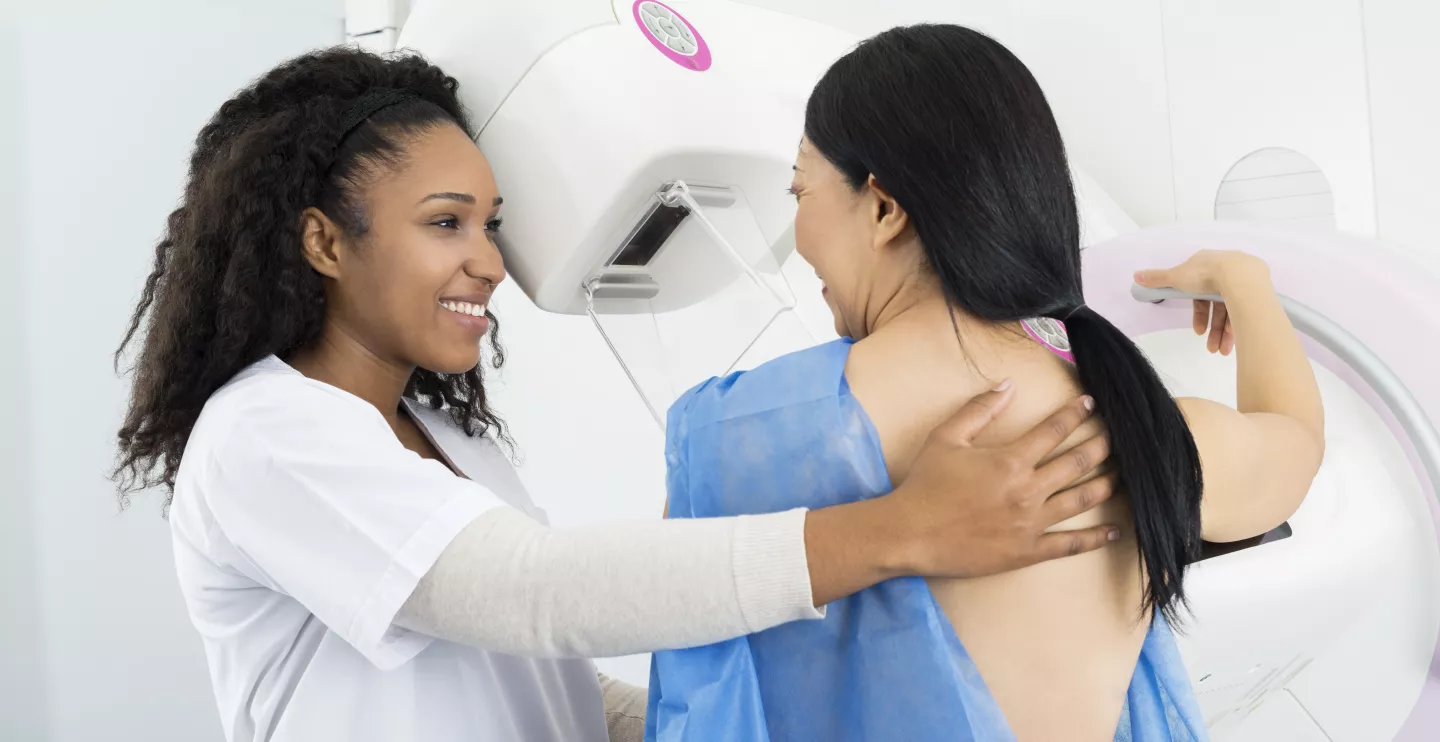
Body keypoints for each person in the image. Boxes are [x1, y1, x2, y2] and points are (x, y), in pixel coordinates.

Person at [111, 47, 1124, 742]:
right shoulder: (266, 433)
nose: (491, 263)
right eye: (446, 223)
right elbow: (531, 592)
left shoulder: (438, 436)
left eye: (492, 224)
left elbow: (540, 682)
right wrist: (902, 529)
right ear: (325, 241)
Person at [645, 24, 1326, 742]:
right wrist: (1246, 284)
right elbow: (1298, 445)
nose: (799, 232)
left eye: (800, 189)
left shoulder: (740, 440)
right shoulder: (1139, 426)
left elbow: (675, 631)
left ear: (882, 209)